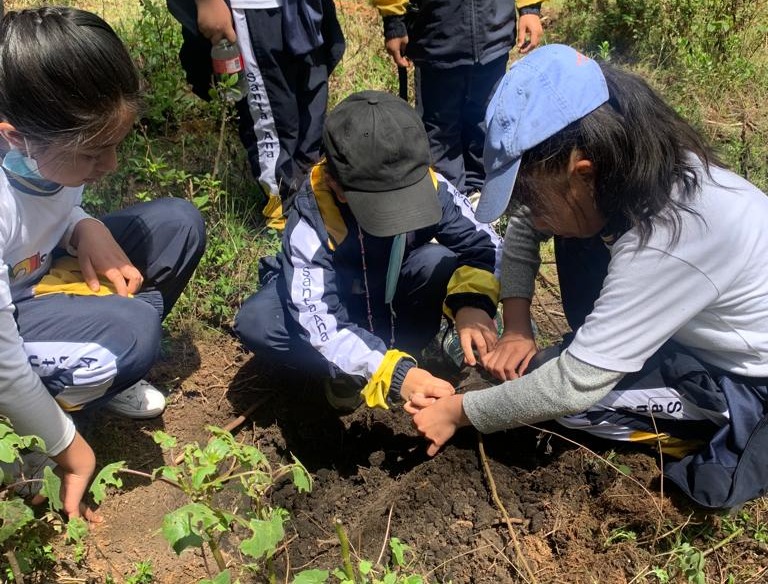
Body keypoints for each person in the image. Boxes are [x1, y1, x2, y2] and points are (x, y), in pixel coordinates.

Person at [406, 44, 768, 510]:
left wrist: (459, 412)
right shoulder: (629, 170)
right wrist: (516, 326)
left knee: (562, 399)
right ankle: (616, 353)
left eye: (532, 193)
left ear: (583, 171)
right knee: (569, 225)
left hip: (747, 380)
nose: (532, 209)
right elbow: (524, 223)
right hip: (694, 325)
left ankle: (700, 428)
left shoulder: (672, 238)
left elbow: (572, 385)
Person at [0, 7, 206, 519]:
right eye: (93, 152)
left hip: (31, 274)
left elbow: (50, 203)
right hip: (10, 317)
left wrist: (82, 225)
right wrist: (68, 448)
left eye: (115, 144)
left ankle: (93, 374)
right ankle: (28, 445)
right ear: (15, 137)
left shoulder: (38, 150)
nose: (110, 166)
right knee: (134, 332)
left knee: (179, 224)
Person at [234, 90, 501, 409]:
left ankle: (414, 348)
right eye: (383, 206)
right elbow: (315, 313)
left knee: (437, 260)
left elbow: (487, 246)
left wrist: (473, 304)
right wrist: (391, 372)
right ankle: (348, 370)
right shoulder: (313, 217)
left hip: (392, 283)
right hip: (340, 301)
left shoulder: (432, 186)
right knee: (259, 320)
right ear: (335, 183)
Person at [166, 0, 345, 229]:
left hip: (302, 8)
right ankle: (283, 214)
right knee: (272, 118)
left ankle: (312, 196)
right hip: (251, 9)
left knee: (311, 114)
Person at [371, 0, 544, 197]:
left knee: (487, 122)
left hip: (493, 32)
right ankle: (453, 204)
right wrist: (393, 19)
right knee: (440, 131)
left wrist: (530, 8)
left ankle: (482, 194)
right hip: (436, 34)